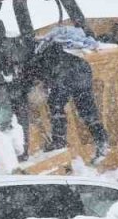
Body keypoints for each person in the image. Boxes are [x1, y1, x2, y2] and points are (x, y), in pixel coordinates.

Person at [20, 29, 110, 161]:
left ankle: (59, 141)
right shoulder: (39, 57)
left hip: (67, 70)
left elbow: (40, 87)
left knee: (55, 103)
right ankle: (102, 140)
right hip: (82, 68)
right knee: (86, 109)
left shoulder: (32, 69)